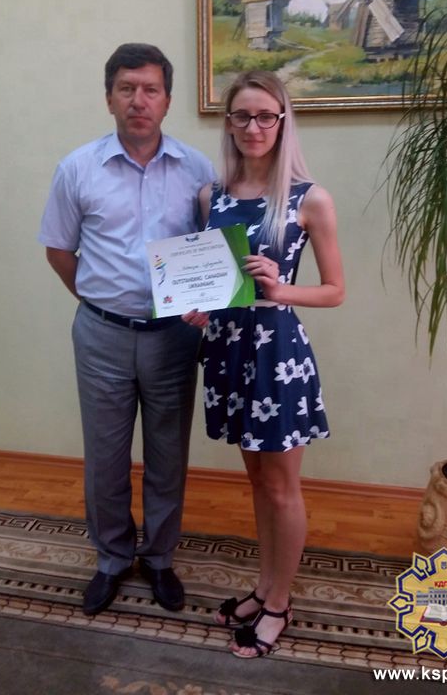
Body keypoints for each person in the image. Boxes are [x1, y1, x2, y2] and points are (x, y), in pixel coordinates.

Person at [39, 43, 216, 616]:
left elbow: (213, 252)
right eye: (127, 89)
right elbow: (59, 250)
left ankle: (159, 558)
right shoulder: (77, 168)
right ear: (109, 97)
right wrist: (103, 303)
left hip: (173, 338)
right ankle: (112, 558)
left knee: (167, 452)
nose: (139, 100)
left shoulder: (198, 170)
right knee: (106, 456)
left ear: (167, 100)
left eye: (150, 90)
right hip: (102, 336)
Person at [185, 70, 345, 658]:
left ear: (282, 122)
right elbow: (211, 278)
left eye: (265, 116)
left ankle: (279, 602)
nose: (253, 127)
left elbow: (334, 290)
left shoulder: (309, 198)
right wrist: (198, 306)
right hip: (228, 350)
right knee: (258, 481)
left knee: (282, 487)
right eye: (242, 116)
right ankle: (264, 586)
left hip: (277, 355)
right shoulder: (211, 196)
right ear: (228, 123)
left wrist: (281, 290)